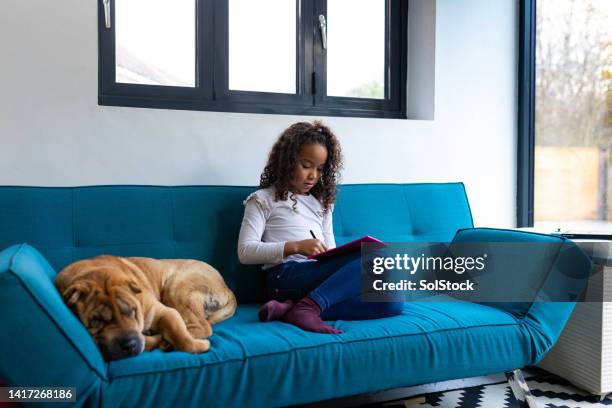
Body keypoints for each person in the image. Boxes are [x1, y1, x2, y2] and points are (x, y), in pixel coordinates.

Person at [237, 121, 403, 334]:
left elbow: (331, 251)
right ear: (286, 161)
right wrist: (296, 247)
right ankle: (308, 307)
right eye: (306, 165)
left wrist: (334, 257)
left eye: (319, 169)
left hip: (316, 279)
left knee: (393, 301)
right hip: (284, 277)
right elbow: (245, 252)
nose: (313, 175)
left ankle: (293, 309)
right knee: (378, 257)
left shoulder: (322, 204)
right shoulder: (262, 199)